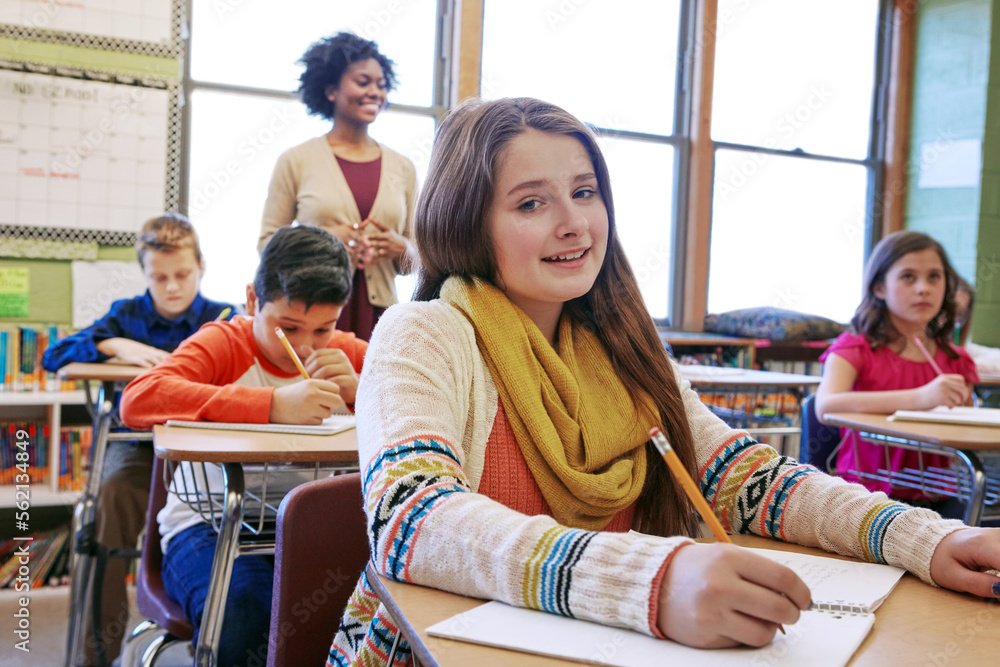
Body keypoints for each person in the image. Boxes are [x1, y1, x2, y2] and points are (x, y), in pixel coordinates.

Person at [326, 98, 1000, 667]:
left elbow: (746, 477)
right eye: (532, 202)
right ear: (467, 219)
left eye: (585, 192)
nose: (574, 222)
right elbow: (410, 518)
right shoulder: (423, 333)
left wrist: (926, 538)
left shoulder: (622, 344)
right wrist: (652, 579)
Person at [120, 225, 366, 667]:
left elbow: (422, 411)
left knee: (360, 603)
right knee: (249, 609)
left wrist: (365, 393)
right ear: (253, 301)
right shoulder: (226, 343)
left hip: (301, 530)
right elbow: (139, 399)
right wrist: (270, 404)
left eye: (323, 328)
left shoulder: (345, 354)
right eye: (288, 327)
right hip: (206, 526)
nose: (307, 345)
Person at [41, 213, 234, 666]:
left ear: (201, 266)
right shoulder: (126, 316)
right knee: (108, 498)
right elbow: (55, 355)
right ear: (144, 273)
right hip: (139, 448)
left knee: (242, 513)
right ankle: (96, 655)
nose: (171, 287)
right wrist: (117, 346)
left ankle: (218, 637)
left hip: (205, 453)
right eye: (159, 276)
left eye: (182, 274)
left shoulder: (222, 319)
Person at [258, 31, 418, 342]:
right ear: (331, 89)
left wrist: (402, 247)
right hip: (313, 317)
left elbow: (419, 258)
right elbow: (267, 244)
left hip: (381, 320)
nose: (375, 92)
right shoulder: (296, 160)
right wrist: (324, 241)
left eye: (381, 85)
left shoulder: (403, 168)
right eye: (363, 82)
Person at [814, 231, 980, 507]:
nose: (923, 288)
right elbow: (825, 405)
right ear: (880, 288)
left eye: (934, 277)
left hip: (941, 495)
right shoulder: (855, 348)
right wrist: (921, 398)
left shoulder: (956, 360)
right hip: (866, 496)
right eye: (908, 277)